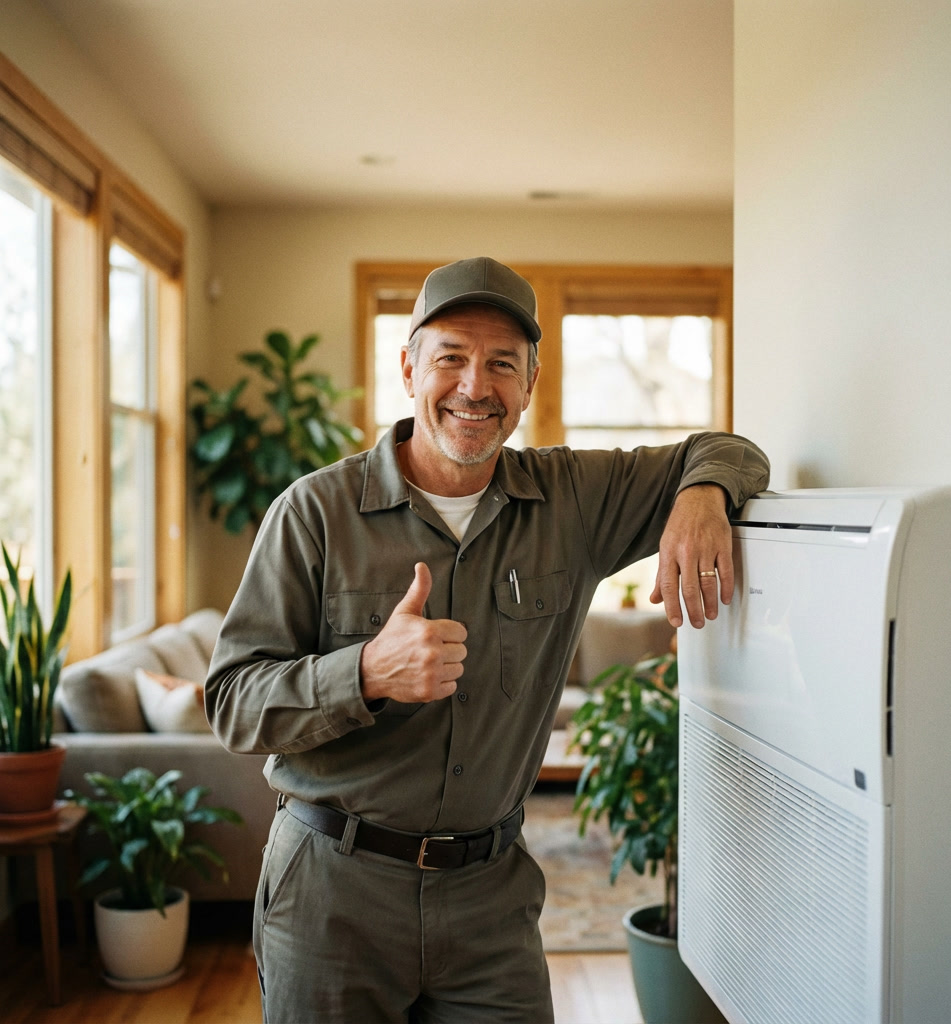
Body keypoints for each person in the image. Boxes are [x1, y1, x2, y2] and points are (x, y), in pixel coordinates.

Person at [206, 256, 770, 1023]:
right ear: (409, 369)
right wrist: (365, 671)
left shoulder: (573, 499)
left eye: (502, 364)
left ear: (529, 385)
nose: (476, 386)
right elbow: (234, 704)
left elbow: (733, 450)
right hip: (332, 896)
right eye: (451, 359)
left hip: (490, 901)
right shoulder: (314, 512)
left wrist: (702, 495)